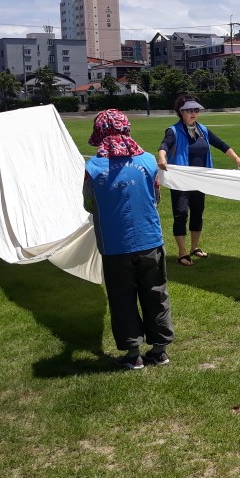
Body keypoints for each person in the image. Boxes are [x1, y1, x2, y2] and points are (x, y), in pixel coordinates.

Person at [84, 110, 174, 370]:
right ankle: (159, 350)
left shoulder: (93, 167)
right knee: (156, 293)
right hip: (150, 240)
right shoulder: (147, 161)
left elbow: (88, 203)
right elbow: (155, 198)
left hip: (115, 245)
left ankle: (133, 353)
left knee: (122, 297)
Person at [156, 94, 240, 266]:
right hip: (181, 181)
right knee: (181, 213)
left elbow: (221, 144)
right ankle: (182, 252)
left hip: (200, 181)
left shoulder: (203, 130)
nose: (193, 113)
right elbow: (164, 145)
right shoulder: (173, 131)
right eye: (189, 110)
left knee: (197, 212)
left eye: (195, 110)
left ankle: (194, 248)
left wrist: (236, 158)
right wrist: (162, 157)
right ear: (181, 112)